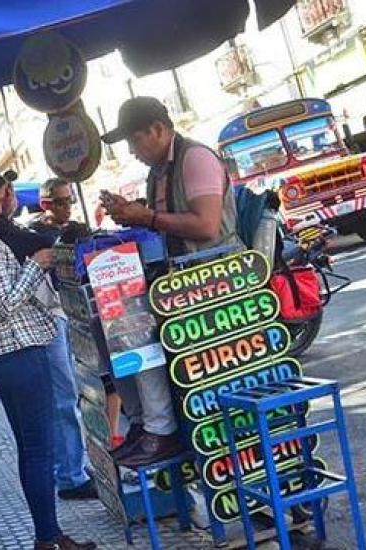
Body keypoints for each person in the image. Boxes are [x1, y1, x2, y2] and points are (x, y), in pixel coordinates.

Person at [0, 162, 96, 550]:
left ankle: (49, 533)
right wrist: (35, 265)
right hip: (19, 353)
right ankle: (47, 537)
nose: (0, 208)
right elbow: (3, 303)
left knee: (31, 449)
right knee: (38, 450)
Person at [100, 96, 243, 467]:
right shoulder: (157, 172)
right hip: (183, 279)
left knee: (133, 325)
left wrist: (145, 217)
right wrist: (133, 214)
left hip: (219, 276)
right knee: (112, 319)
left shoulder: (194, 159)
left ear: (158, 130)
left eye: (134, 141)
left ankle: (161, 428)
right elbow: (162, 224)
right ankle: (143, 422)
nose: (132, 151)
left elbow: (207, 225)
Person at [0, 183, 96, 500]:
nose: (7, 200)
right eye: (1, 195)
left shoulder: (9, 230)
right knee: (62, 400)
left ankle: (69, 465)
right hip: (38, 324)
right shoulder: (6, 235)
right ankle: (69, 474)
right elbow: (7, 297)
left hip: (47, 319)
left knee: (61, 400)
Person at [31, 179, 125, 450]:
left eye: (69, 201)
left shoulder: (70, 231)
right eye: (60, 202)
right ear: (46, 204)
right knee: (75, 390)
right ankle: (87, 451)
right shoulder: (38, 236)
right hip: (60, 319)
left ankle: (111, 439)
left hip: (90, 314)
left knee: (109, 380)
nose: (67, 207)